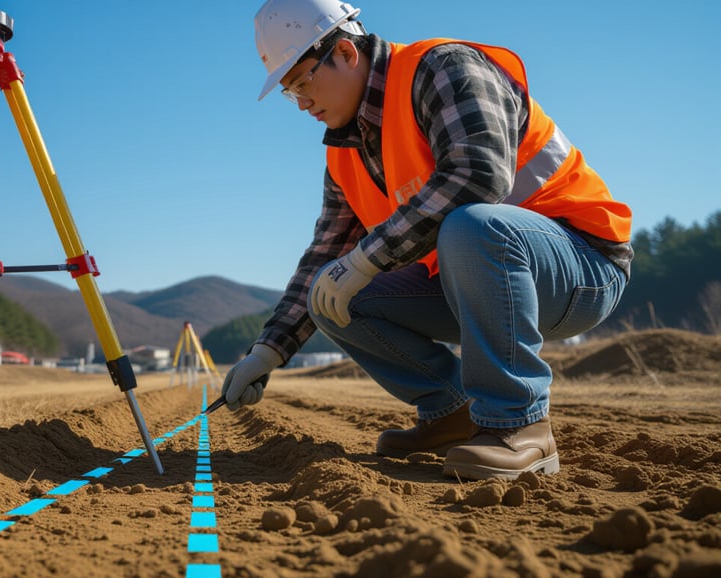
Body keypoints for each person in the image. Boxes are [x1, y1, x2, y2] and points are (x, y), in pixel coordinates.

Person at [221, 0, 633, 481]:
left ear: (347, 53)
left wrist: (366, 260)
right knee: (330, 294)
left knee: (474, 223)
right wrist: (268, 351)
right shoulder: (345, 153)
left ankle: (520, 426)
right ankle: (450, 411)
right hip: (477, 280)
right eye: (291, 94)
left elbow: (478, 176)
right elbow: (325, 255)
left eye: (302, 81)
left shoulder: (443, 69)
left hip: (579, 266)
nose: (303, 102)